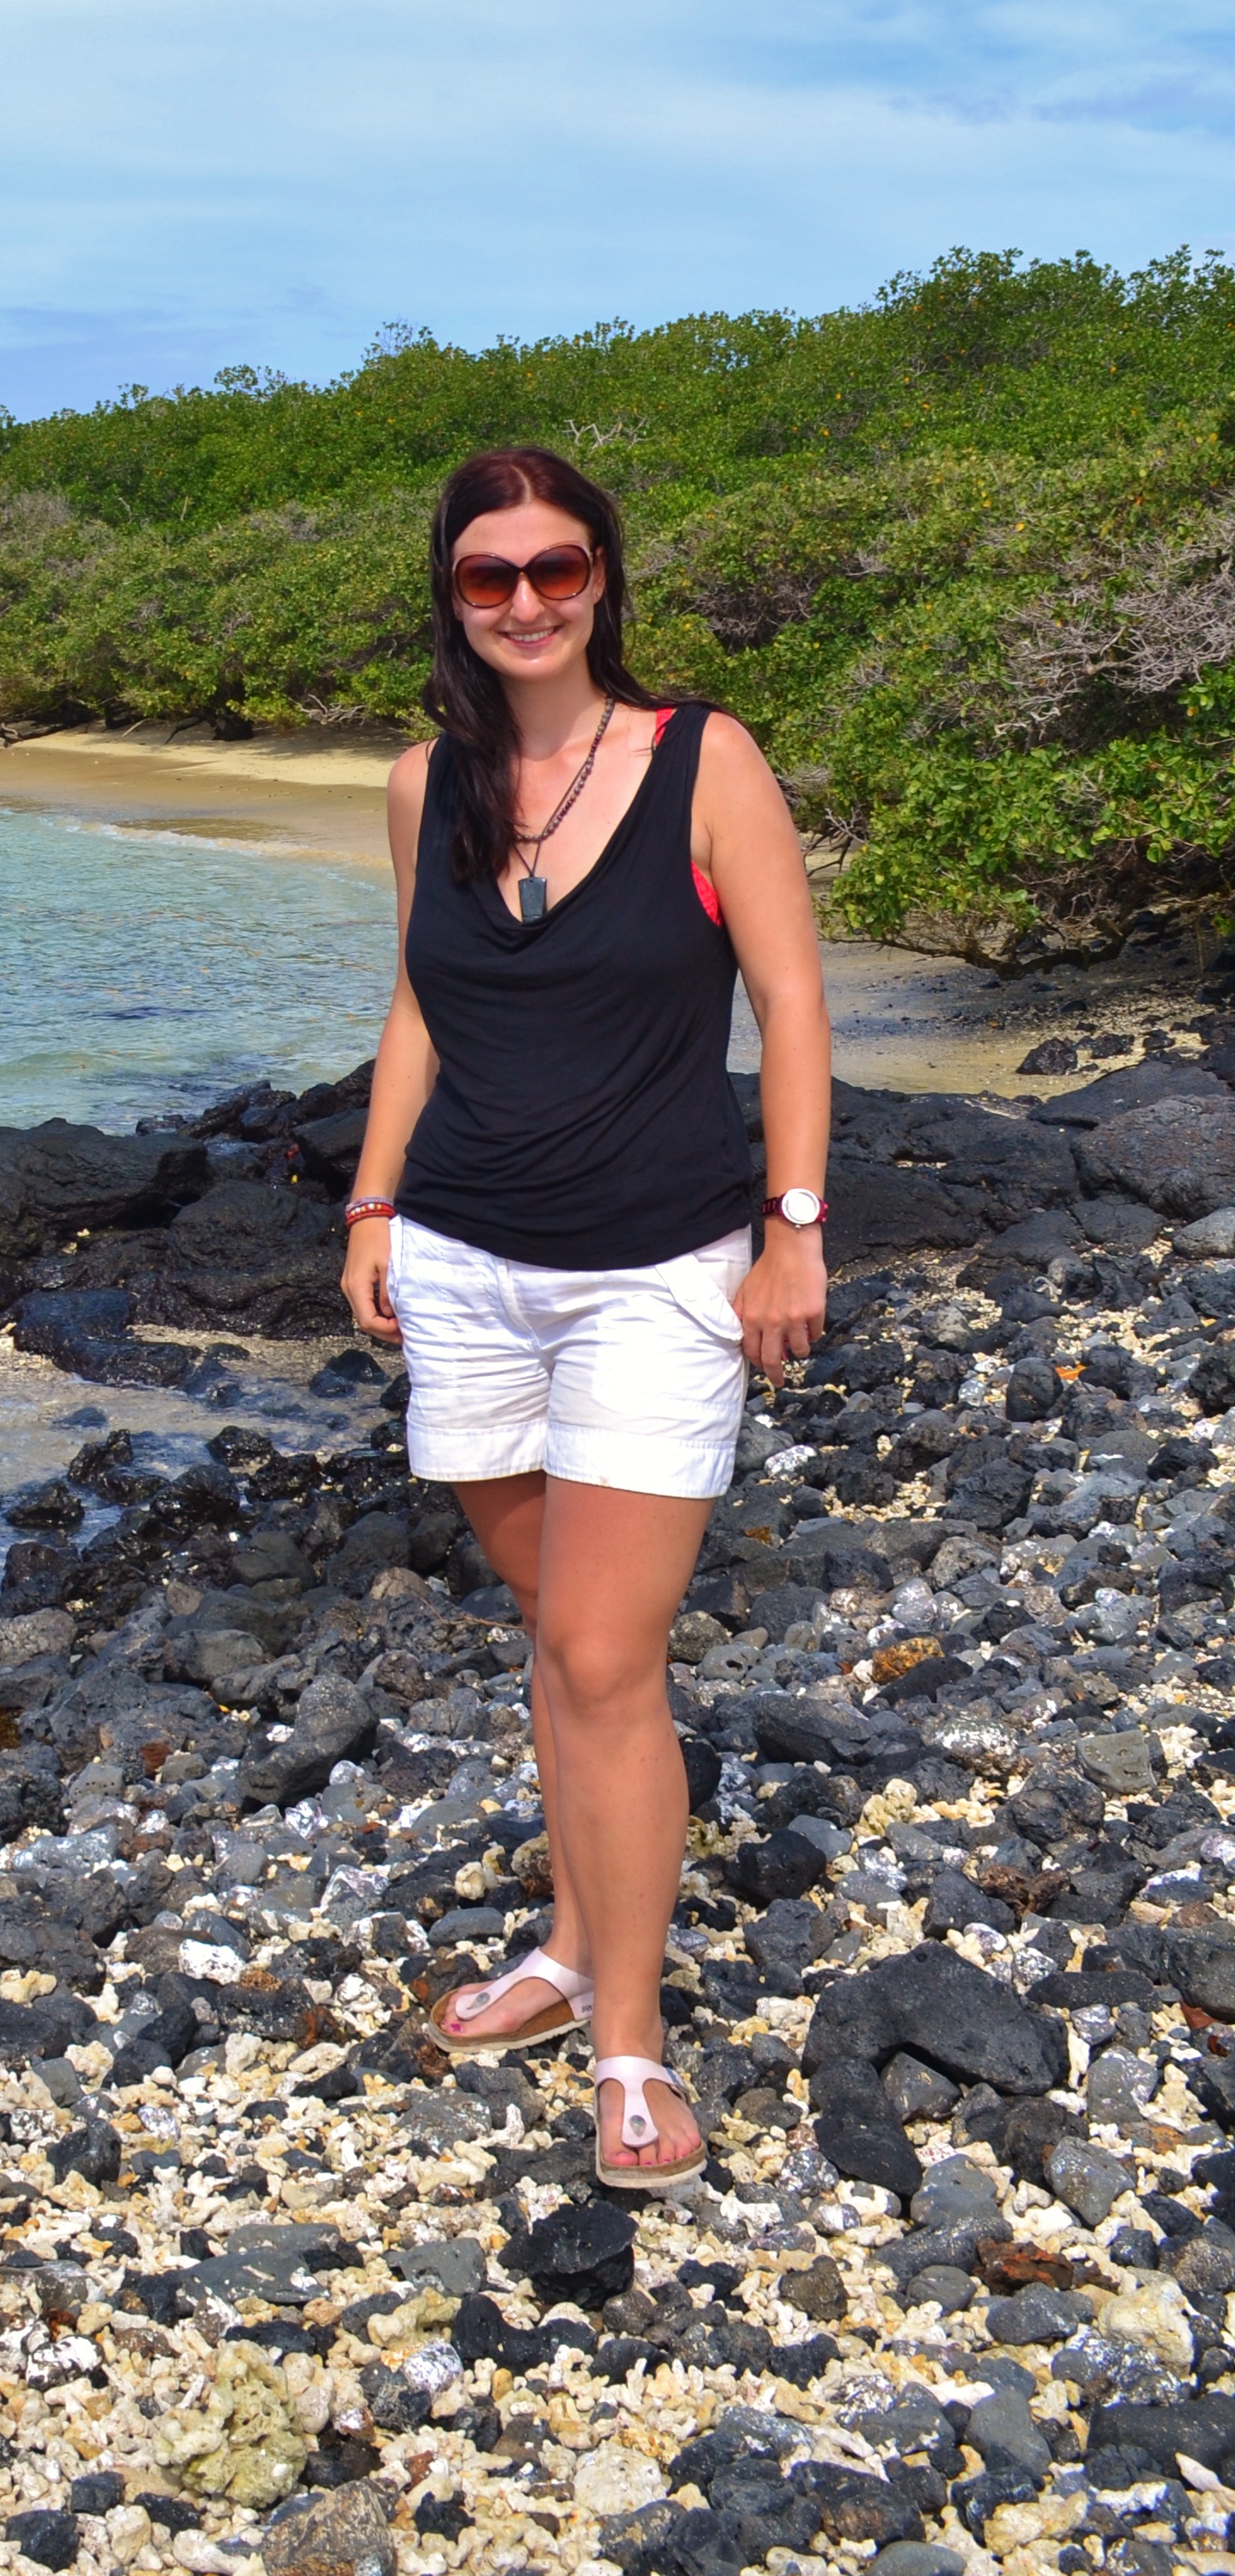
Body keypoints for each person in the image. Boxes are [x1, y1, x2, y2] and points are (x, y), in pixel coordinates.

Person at [339, 446, 830, 2191]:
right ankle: (564, 1944)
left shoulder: (706, 759)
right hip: (466, 1263)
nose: (528, 600)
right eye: (492, 575)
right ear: (453, 595)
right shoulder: (426, 783)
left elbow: (789, 998)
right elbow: (419, 1001)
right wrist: (373, 1203)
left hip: (656, 1272)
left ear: (604, 577)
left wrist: (792, 1228)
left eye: (558, 567)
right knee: (562, 1641)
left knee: (609, 1661)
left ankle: (629, 2038)